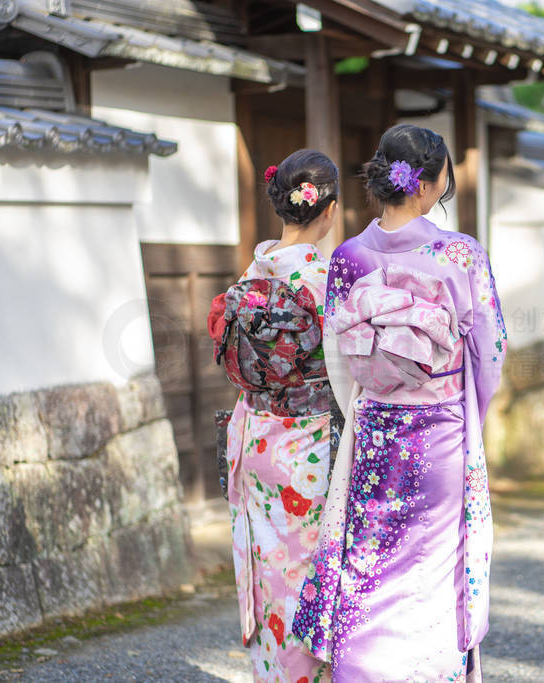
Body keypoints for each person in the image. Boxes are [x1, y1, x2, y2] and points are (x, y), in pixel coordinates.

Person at [292, 124, 508, 681]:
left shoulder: (347, 258)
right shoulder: (460, 254)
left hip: (374, 433)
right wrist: (468, 416)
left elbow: (340, 362)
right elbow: (491, 353)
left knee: (367, 562)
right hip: (441, 433)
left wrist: (371, 403)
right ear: (431, 183)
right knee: (434, 568)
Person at [208, 149, 340, 682]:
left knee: (264, 564)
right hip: (304, 445)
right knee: (303, 569)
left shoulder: (253, 269)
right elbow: (348, 373)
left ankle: (270, 674)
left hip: (252, 434)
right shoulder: (327, 281)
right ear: (327, 210)